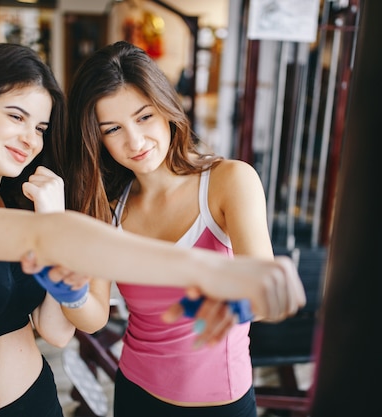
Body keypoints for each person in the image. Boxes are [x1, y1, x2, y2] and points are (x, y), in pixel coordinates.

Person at [0, 42, 305, 417]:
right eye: (16, 116)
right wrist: (207, 270)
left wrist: (61, 262)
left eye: (41, 128)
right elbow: (56, 249)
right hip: (133, 390)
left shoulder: (18, 206)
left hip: (39, 401)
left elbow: (55, 330)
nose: (31, 139)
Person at [63, 40, 303, 417]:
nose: (135, 141)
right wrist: (70, 291)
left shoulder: (229, 181)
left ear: (166, 108)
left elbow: (261, 295)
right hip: (136, 393)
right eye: (113, 129)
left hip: (219, 402)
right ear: (97, 139)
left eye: (144, 117)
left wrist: (225, 301)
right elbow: (94, 317)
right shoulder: (107, 209)